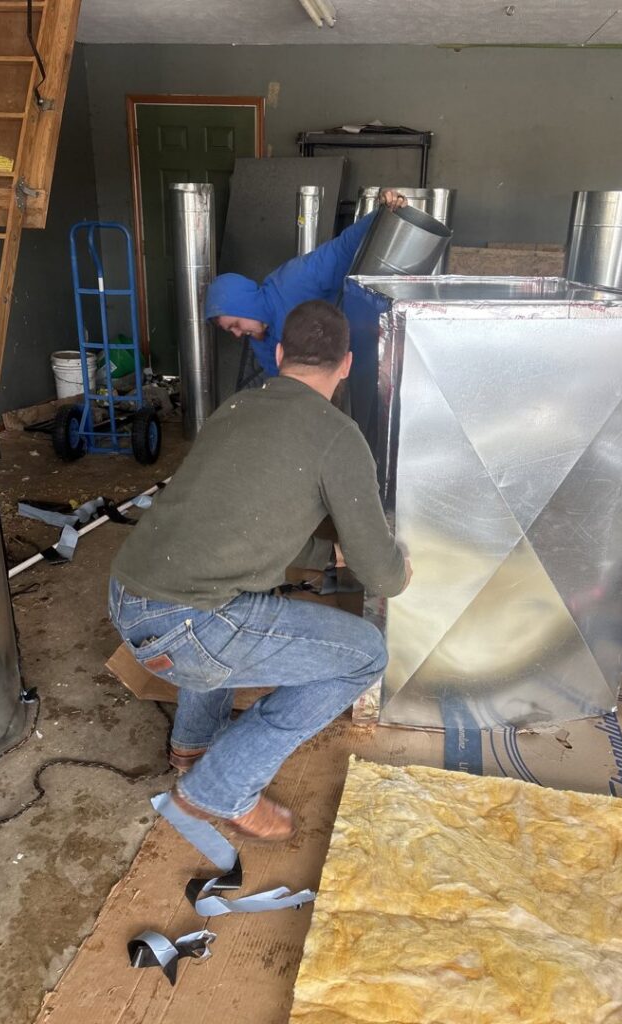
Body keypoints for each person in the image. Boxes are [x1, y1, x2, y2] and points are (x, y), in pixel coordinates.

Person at [109, 300, 411, 842]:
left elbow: (235, 524)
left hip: (129, 595)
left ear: (278, 355)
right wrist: (399, 566)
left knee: (237, 604)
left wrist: (325, 557)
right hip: (187, 628)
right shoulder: (340, 436)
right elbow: (382, 577)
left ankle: (194, 746)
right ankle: (220, 788)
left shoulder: (236, 408)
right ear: (347, 365)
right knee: (365, 655)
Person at [205, 189, 407, 379]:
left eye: (236, 325)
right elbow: (281, 383)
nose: (237, 334)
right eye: (230, 330)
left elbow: (341, 250)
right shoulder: (260, 341)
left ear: (244, 303)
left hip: (358, 356)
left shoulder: (294, 281)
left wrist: (384, 213)